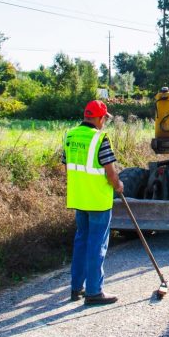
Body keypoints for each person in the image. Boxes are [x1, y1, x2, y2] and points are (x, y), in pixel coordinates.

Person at [62, 100, 124, 305]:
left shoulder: (70, 136)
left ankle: (76, 288)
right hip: (98, 200)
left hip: (79, 198)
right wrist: (118, 186)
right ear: (98, 118)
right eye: (104, 118)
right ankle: (94, 292)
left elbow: (67, 165)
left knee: (81, 242)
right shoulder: (100, 138)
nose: (104, 122)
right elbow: (110, 172)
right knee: (97, 244)